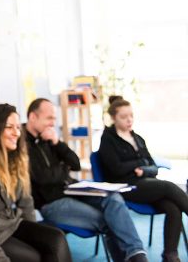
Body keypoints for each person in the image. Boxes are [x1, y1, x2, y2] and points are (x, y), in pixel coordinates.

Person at [25, 98, 148, 262]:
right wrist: (63, 168)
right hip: (52, 202)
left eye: (54, 118)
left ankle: (137, 254)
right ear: (33, 117)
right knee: (111, 221)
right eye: (49, 118)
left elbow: (75, 164)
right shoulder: (22, 145)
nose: (53, 123)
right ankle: (136, 259)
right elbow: (43, 178)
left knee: (113, 199)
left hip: (72, 190)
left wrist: (57, 143)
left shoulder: (48, 138)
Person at [0, 103, 71, 262]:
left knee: (56, 238)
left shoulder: (14, 161)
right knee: (34, 257)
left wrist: (35, 234)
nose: (17, 133)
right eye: (9, 127)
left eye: (18, 127)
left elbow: (26, 202)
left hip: (10, 223)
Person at [100, 95, 188, 262]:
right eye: (124, 117)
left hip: (145, 184)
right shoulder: (108, 140)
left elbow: (153, 167)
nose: (129, 120)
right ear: (113, 118)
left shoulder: (138, 138)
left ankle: (170, 256)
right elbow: (116, 170)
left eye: (131, 115)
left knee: (173, 208)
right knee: (168, 187)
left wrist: (142, 169)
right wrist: (138, 165)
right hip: (125, 187)